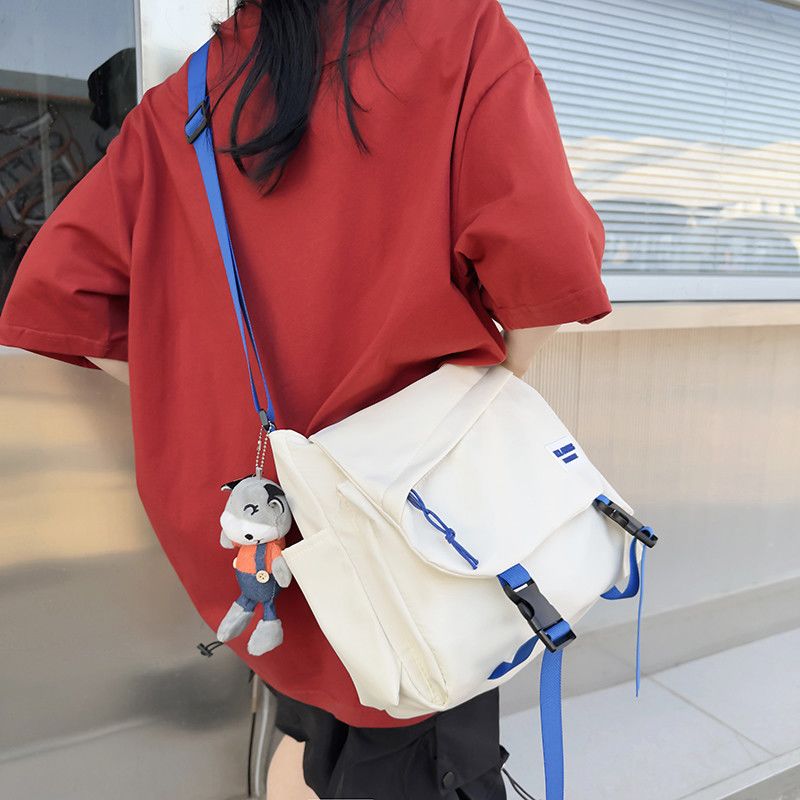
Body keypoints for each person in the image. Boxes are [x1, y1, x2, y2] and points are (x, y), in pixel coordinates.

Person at [0, 0, 612, 797]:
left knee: (306, 731)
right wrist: (477, 403)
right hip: (414, 533)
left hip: (267, 533)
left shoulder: (188, 95)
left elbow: (64, 294)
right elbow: (545, 264)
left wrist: (204, 398)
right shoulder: (454, 30)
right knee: (413, 748)